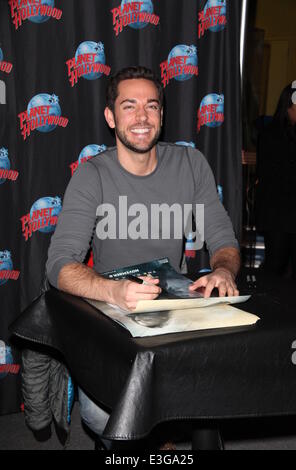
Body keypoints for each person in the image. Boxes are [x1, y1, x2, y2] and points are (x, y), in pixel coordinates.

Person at [46, 66, 240, 449]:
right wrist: (114, 292)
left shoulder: (191, 164)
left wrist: (222, 268)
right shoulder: (92, 175)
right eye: (129, 106)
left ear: (162, 116)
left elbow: (224, 239)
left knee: (212, 393)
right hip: (112, 313)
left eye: (151, 106)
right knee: (101, 415)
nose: (141, 117)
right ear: (110, 116)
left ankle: (167, 437)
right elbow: (58, 264)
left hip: (175, 311)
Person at [256, 83, 296, 279]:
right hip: (277, 214)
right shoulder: (270, 134)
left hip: (288, 212)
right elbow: (270, 175)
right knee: (275, 264)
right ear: (287, 107)